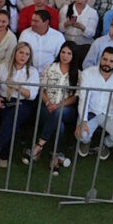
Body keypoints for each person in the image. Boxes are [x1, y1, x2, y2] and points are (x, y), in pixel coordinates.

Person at [23, 41, 80, 173]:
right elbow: (42, 89)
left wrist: (58, 105)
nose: (65, 56)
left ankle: (38, 146)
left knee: (59, 113)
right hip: (46, 105)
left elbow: (74, 97)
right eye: (63, 52)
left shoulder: (77, 74)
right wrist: (48, 103)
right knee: (59, 126)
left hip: (66, 108)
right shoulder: (50, 67)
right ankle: (54, 155)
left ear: (74, 56)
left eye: (69, 53)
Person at [0, 41, 39, 167]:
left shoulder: (32, 72)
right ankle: (4, 155)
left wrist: (17, 87)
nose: (23, 56)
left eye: (27, 54)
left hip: (23, 103)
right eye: (21, 52)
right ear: (15, 53)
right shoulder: (2, 67)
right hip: (5, 101)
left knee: (13, 116)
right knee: (12, 123)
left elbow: (32, 95)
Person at [76, 47, 113, 161]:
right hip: (91, 112)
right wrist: (83, 121)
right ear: (100, 58)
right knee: (81, 134)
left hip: (110, 114)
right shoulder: (87, 73)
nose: (107, 63)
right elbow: (83, 99)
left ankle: (105, 144)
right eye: (105, 59)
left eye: (111, 61)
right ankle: (87, 142)